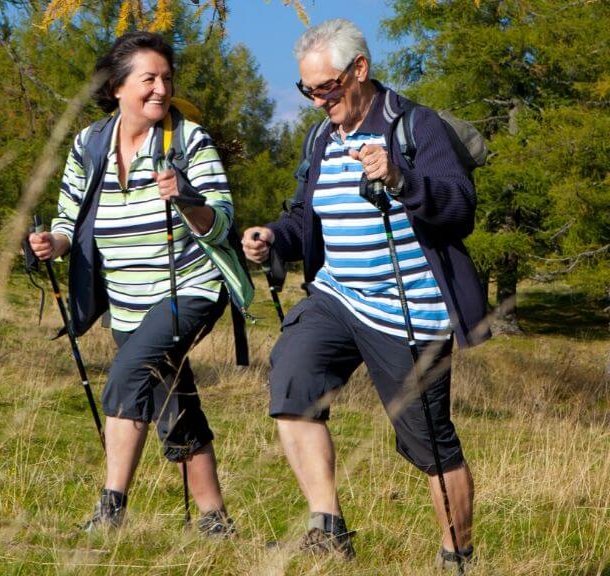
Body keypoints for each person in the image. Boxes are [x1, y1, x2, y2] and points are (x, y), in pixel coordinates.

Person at [242, 19, 487, 569]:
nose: (316, 101)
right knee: (292, 380)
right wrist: (272, 237)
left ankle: (458, 556)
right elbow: (305, 217)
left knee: (428, 441)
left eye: (326, 87)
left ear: (360, 70)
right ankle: (327, 528)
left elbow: (460, 208)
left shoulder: (414, 126)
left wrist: (402, 181)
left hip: (408, 308)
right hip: (336, 296)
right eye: (307, 90)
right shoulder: (322, 138)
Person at [29, 31, 250, 537]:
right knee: (175, 398)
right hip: (126, 304)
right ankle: (216, 521)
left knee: (129, 375)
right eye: (148, 78)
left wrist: (186, 200)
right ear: (117, 87)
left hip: (190, 291)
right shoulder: (90, 143)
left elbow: (221, 222)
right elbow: (69, 220)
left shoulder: (189, 141)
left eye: (166, 79)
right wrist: (51, 243)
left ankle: (110, 511)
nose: (160, 89)